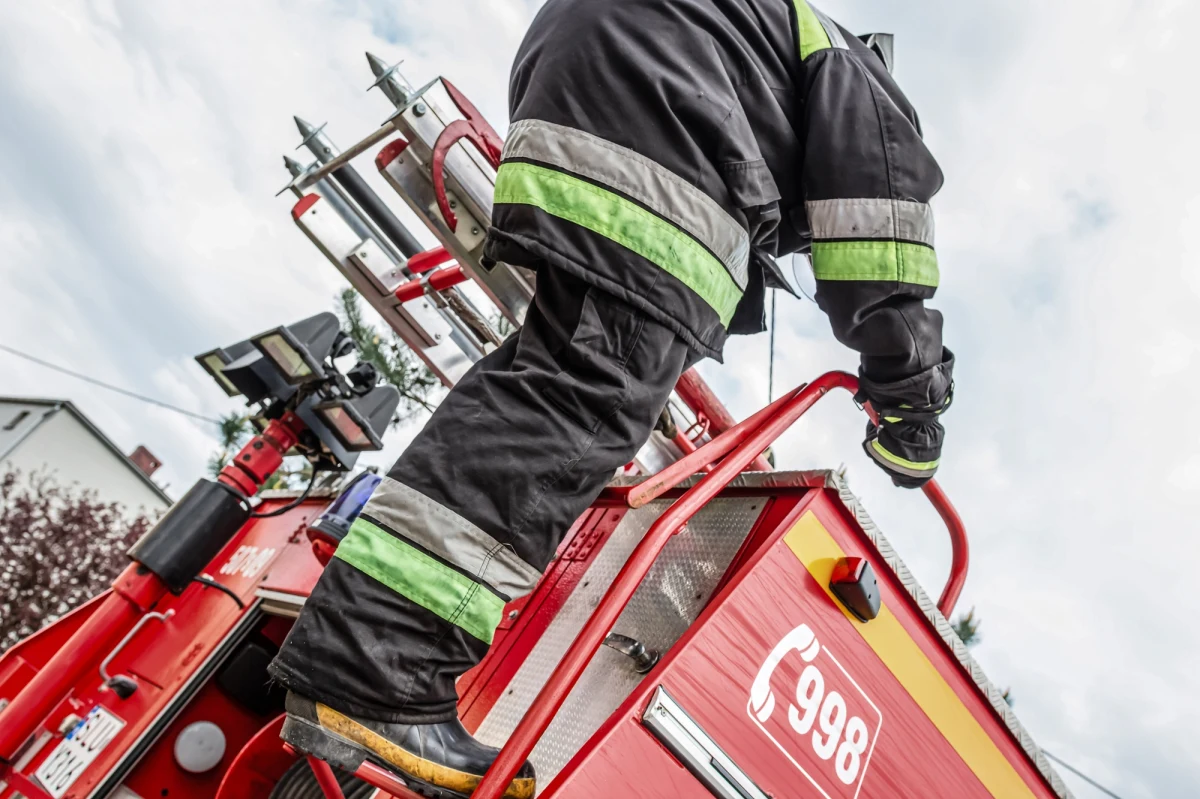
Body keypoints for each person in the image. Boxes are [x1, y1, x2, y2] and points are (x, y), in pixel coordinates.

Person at [268, 0, 954, 795]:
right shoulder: (871, 91)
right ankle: (378, 670)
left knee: (554, 374)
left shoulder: (772, 43)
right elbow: (878, 243)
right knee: (583, 399)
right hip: (662, 120)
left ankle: (375, 657)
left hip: (582, 82)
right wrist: (914, 401)